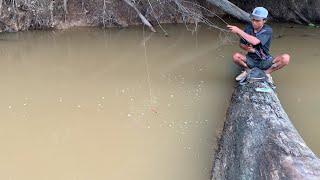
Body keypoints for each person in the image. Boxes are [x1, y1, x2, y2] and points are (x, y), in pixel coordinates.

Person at [227, 7, 290, 83]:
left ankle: (266, 73)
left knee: (286, 58)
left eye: (257, 20)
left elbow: (255, 42)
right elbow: (241, 44)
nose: (254, 22)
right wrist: (246, 48)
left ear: (264, 21)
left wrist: (238, 31)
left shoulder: (268, 30)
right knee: (235, 56)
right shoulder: (248, 28)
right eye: (253, 19)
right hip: (251, 59)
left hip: (265, 60)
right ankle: (248, 70)